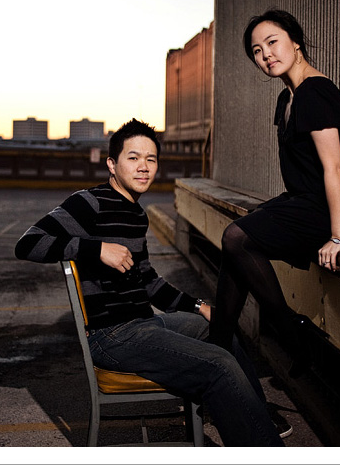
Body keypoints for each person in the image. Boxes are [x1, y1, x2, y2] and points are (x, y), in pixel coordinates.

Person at [15, 119, 286, 446]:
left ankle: (256, 414)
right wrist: (96, 248)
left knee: (222, 329)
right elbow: (29, 243)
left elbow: (149, 283)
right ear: (112, 165)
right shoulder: (90, 202)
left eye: (151, 159)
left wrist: (200, 307)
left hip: (143, 324)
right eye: (133, 158)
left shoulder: (136, 214)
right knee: (219, 364)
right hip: (113, 337)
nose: (143, 167)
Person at [207, 9, 340, 377]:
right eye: (256, 50)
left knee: (235, 238)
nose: (265, 54)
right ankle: (219, 346)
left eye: (272, 42)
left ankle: (288, 329)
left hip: (337, 209)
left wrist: (338, 237)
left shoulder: (315, 92)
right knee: (238, 243)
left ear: (295, 41)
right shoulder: (288, 99)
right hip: (307, 199)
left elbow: (335, 168)